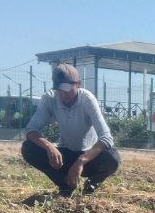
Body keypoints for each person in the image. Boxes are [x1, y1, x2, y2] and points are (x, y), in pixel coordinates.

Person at [21, 64, 119, 196]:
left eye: (68, 91)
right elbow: (30, 131)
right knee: (28, 148)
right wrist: (49, 146)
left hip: (88, 157)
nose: (64, 96)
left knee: (113, 158)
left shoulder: (87, 99)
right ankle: (65, 185)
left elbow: (106, 138)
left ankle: (90, 187)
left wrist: (81, 161)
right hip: (64, 155)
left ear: (78, 84)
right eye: (60, 91)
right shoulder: (49, 98)